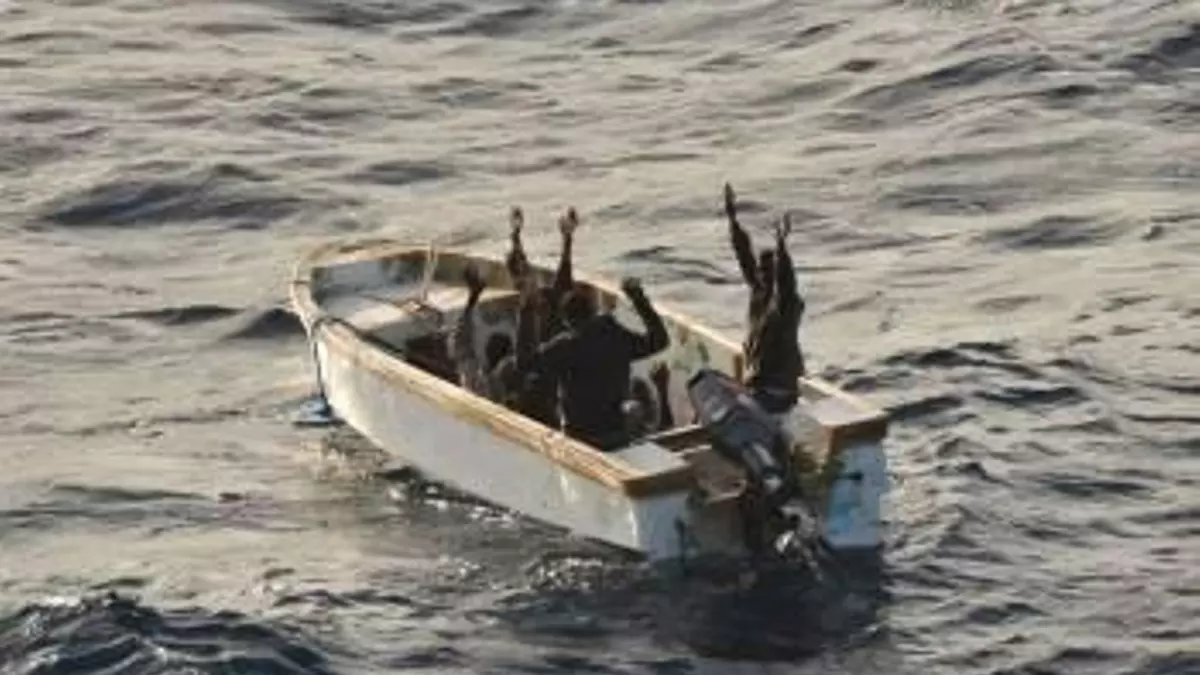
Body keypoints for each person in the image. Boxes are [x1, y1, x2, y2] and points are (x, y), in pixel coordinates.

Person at [534, 278, 670, 450]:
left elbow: (527, 363)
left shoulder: (565, 346)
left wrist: (527, 311)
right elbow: (659, 340)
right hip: (615, 434)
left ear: (566, 321)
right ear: (594, 311)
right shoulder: (615, 336)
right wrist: (639, 299)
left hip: (579, 438)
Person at [491, 206, 579, 426]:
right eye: (521, 281)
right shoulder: (527, 309)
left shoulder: (549, 298)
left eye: (526, 277)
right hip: (539, 373)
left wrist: (567, 239)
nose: (527, 281)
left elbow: (562, 276)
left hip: (558, 366)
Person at [723, 182, 806, 414]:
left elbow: (786, 285)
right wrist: (732, 218)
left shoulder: (786, 305)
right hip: (759, 385)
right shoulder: (759, 292)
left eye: (767, 271)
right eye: (760, 270)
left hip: (778, 390)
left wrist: (782, 250)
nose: (759, 274)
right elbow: (744, 256)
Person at [447, 264, 511, 399]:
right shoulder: (499, 381)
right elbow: (461, 343)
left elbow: (461, 343)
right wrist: (473, 297)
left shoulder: (474, 374)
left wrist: (473, 297)